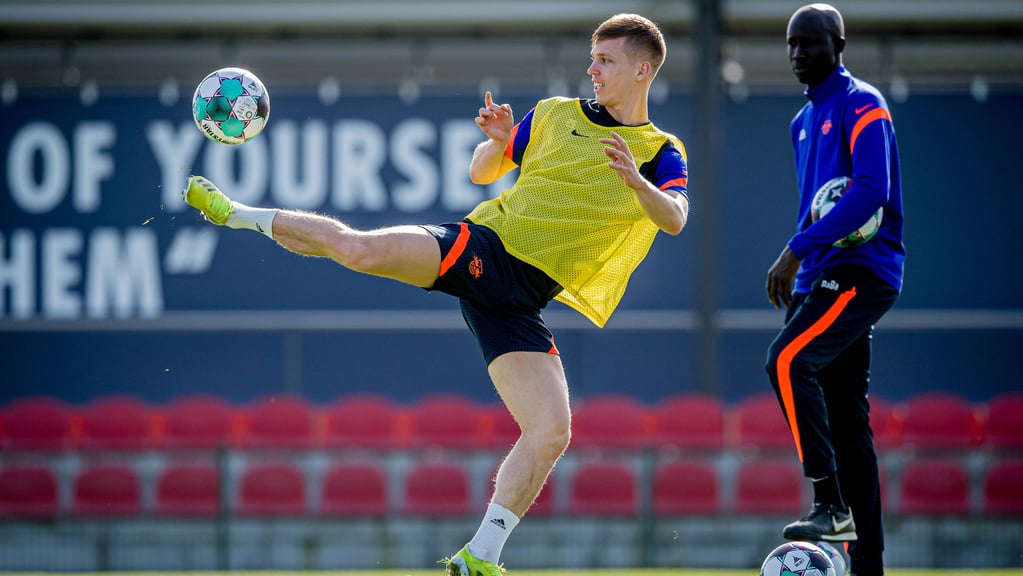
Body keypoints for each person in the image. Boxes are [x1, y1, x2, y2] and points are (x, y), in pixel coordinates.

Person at [183, 13, 688, 576]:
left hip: (522, 300)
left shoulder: (659, 150)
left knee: (552, 432)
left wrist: (639, 184)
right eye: (592, 58)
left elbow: (674, 219)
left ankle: (481, 556)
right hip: (485, 250)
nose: (592, 70)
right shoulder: (554, 114)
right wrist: (498, 144)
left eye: (606, 61)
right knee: (359, 250)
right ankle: (238, 214)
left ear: (643, 69)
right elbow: (480, 171)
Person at [765, 4, 905, 576]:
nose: (799, 54)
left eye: (811, 44)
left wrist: (796, 247)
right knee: (850, 427)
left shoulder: (863, 102)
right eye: (792, 45)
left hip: (860, 270)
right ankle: (866, 566)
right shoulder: (801, 121)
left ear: (838, 44)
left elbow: (871, 189)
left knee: (786, 361)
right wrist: (801, 261)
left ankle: (829, 502)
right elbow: (819, 200)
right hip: (815, 276)